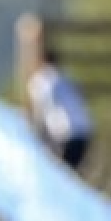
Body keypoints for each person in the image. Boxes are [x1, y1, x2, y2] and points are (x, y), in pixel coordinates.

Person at [26, 44, 94, 172]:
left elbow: (40, 110)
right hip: (83, 130)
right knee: (70, 173)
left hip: (63, 133)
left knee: (61, 175)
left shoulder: (41, 81)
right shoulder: (67, 77)